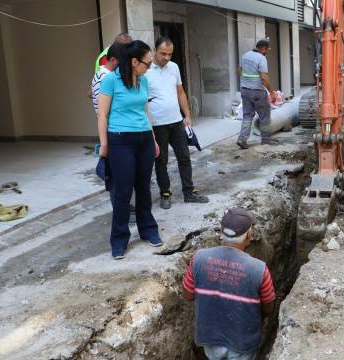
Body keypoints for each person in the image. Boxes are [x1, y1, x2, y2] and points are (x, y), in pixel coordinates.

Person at [97, 40, 163, 260]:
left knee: (143, 187)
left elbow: (145, 111)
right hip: (120, 140)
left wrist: (152, 138)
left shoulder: (143, 81)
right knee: (123, 191)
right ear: (134, 61)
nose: (149, 67)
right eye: (147, 63)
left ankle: (148, 230)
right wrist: (104, 146)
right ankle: (119, 239)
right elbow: (102, 115)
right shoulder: (110, 81)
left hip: (144, 138)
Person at [182, 207, 276, 359]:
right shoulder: (259, 269)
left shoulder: (198, 258)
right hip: (243, 343)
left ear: (221, 231)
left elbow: (188, 295)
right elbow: (268, 308)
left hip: (210, 339)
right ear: (250, 236)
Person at [145, 37, 209, 209]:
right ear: (154, 51)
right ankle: (165, 193)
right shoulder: (145, 70)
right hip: (157, 124)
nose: (167, 57)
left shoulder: (174, 67)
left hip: (176, 121)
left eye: (170, 54)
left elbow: (180, 92)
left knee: (184, 157)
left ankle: (189, 192)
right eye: (163, 54)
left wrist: (187, 115)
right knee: (161, 160)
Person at [237, 39, 280, 149]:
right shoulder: (261, 58)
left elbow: (239, 70)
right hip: (258, 92)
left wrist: (246, 81)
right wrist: (272, 92)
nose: (268, 52)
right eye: (267, 49)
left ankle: (242, 138)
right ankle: (265, 140)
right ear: (263, 48)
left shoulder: (245, 55)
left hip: (245, 90)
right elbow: (264, 78)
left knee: (247, 116)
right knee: (264, 116)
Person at [91, 43, 121, 114]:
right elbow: (103, 107)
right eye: (121, 61)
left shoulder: (105, 75)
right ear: (113, 60)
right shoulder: (103, 77)